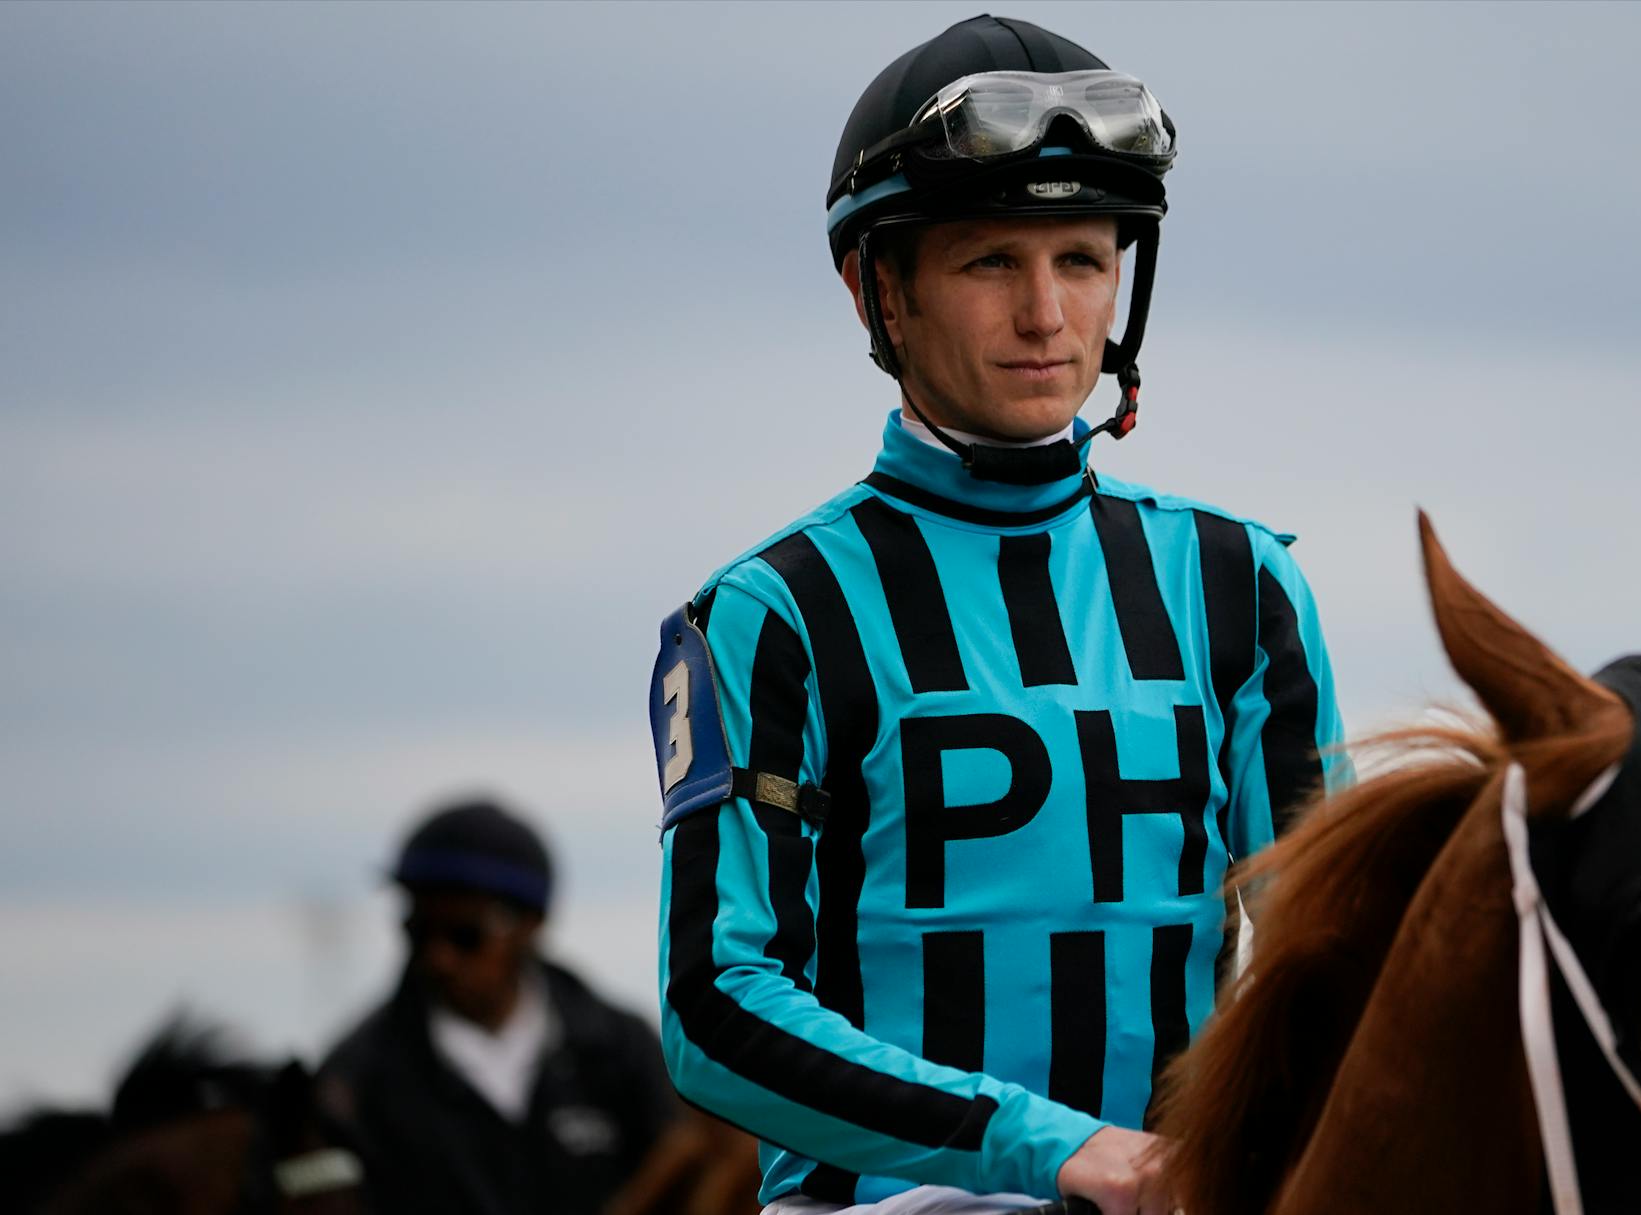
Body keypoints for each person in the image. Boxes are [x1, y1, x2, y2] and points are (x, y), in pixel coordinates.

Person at [646, 15, 1348, 1215]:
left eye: (1082, 260)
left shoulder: (1243, 580)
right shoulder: (771, 613)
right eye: (991, 264)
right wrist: (1057, 1149)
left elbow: (1327, 959)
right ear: (881, 290)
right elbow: (712, 1005)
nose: (1048, 318)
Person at [320, 799, 685, 1215]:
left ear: (530, 925)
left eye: (465, 935)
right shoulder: (352, 1081)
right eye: (420, 932)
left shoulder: (623, 1051)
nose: (439, 957)